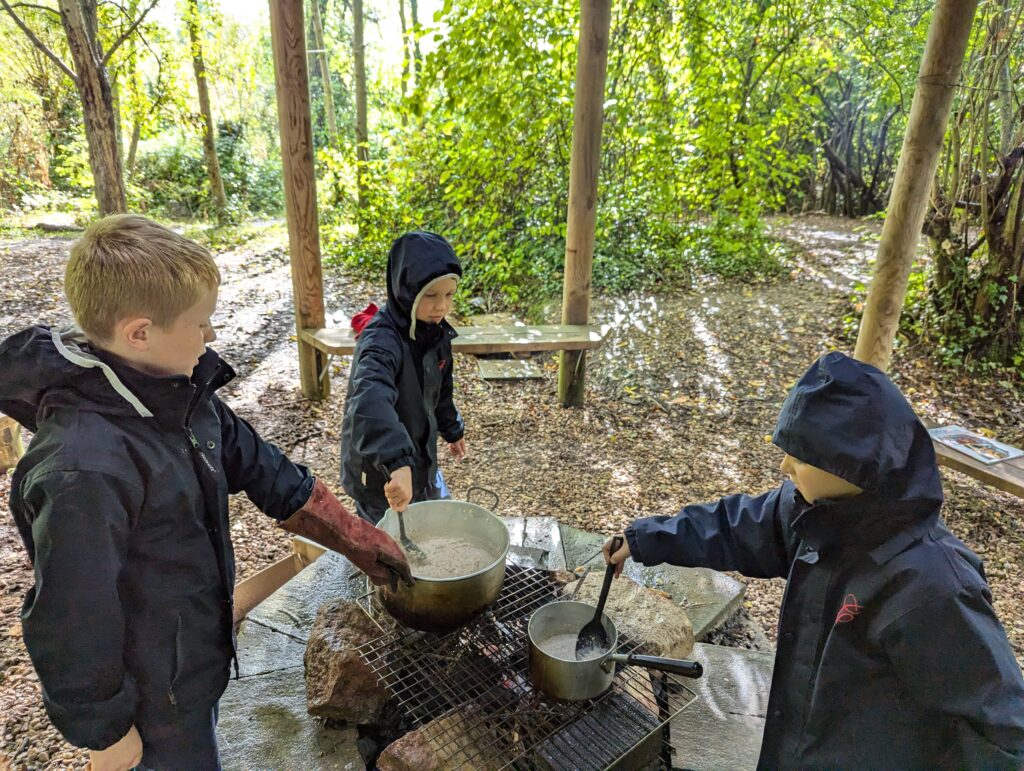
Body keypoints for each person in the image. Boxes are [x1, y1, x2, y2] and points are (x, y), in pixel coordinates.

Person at [0, 214, 413, 771]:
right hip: (151, 698)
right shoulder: (83, 470)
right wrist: (105, 731)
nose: (212, 337)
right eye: (202, 324)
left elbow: (266, 470)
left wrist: (359, 540)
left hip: (190, 660)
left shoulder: (173, 391)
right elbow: (72, 616)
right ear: (139, 332)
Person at [603, 352, 1024, 769]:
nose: (786, 465)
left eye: (801, 458)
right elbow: (734, 527)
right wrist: (644, 540)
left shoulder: (932, 589)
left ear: (856, 467)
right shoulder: (815, 510)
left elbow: (1001, 734)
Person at [341, 231, 466, 524]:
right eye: (431, 296)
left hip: (419, 459)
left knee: (434, 528)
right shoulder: (380, 340)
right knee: (391, 547)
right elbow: (369, 401)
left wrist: (451, 427)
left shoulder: (436, 332)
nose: (442, 306)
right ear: (405, 291)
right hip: (380, 473)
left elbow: (441, 389)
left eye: (449, 295)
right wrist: (397, 463)